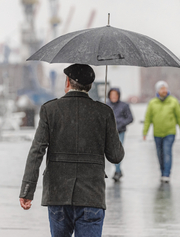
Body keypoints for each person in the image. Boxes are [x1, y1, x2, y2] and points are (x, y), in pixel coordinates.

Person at [19, 64, 124, 237]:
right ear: (89, 85)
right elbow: (116, 156)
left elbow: (36, 151)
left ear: (67, 82)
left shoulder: (50, 110)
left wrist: (27, 190)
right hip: (91, 195)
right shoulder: (104, 112)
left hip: (57, 194)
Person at [143, 81, 180, 183]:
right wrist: (145, 132)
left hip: (169, 132)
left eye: (165, 88)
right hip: (157, 133)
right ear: (157, 90)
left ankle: (166, 174)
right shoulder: (152, 103)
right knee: (159, 154)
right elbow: (148, 118)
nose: (164, 90)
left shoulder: (173, 101)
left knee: (167, 152)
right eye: (162, 88)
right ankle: (162, 172)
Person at [107, 88, 133, 182]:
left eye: (115, 95)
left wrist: (121, 123)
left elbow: (130, 118)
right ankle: (118, 170)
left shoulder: (124, 105)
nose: (113, 97)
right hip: (109, 133)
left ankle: (117, 171)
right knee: (110, 152)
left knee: (117, 151)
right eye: (112, 95)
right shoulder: (106, 105)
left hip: (120, 131)